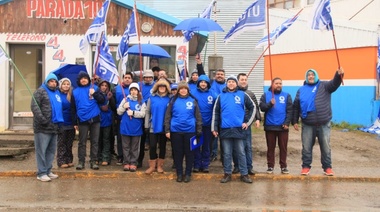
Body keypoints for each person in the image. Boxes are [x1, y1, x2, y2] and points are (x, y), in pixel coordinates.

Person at [293, 68, 344, 176]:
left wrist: (338, 75)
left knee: (326, 147)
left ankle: (327, 167)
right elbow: (296, 107)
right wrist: (295, 121)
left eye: (312, 75)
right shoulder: (301, 90)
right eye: (308, 75)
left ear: (316, 76)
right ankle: (306, 167)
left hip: (323, 124)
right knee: (306, 147)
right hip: (307, 124)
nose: (310, 76)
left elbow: (335, 84)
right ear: (306, 77)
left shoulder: (324, 86)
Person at [212, 75, 255, 184]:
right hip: (225, 129)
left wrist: (248, 122)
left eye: (233, 82)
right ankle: (227, 174)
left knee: (241, 152)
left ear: (236, 84)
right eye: (229, 82)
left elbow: (253, 107)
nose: (231, 83)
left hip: (239, 129)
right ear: (227, 83)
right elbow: (215, 113)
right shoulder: (221, 96)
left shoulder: (242, 95)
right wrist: (214, 128)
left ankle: (244, 174)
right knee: (226, 153)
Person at [165, 81, 202, 183]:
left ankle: (188, 173)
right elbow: (168, 116)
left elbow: (198, 117)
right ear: (178, 90)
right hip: (176, 131)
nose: (183, 90)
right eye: (181, 89)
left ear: (188, 90)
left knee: (190, 153)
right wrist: (167, 130)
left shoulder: (193, 101)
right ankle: (179, 173)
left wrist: (198, 130)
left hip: (190, 131)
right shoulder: (173, 101)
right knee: (178, 154)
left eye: (185, 88)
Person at [31, 72, 63, 182]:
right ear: (47, 82)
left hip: (54, 127)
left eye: (55, 81)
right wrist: (43, 120)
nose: (53, 83)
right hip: (42, 127)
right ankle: (41, 172)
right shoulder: (40, 91)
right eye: (51, 81)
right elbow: (35, 107)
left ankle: (48, 170)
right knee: (41, 151)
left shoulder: (57, 93)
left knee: (51, 151)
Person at [71, 71, 105, 170]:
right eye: (82, 78)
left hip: (95, 118)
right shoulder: (75, 92)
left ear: (88, 79)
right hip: (82, 119)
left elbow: (102, 100)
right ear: (79, 80)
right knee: (82, 142)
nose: (84, 80)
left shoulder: (95, 88)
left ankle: (93, 161)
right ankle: (81, 161)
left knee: (95, 141)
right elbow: (73, 108)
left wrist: (94, 94)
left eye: (85, 78)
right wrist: (74, 122)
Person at [259, 77, 293, 174]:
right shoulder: (266, 95)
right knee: (270, 147)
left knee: (283, 147)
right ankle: (270, 166)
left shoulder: (287, 96)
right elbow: (262, 108)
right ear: (272, 84)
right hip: (270, 126)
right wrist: (270, 103)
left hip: (283, 127)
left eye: (280, 83)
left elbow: (290, 110)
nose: (278, 85)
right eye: (276, 83)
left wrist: (287, 123)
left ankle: (283, 166)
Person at [232, 73, 261, 175]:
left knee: (247, 146)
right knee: (236, 147)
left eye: (245, 79)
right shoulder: (234, 93)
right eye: (241, 79)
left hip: (246, 124)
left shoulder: (250, 93)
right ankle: (237, 166)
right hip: (235, 124)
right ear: (238, 81)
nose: (243, 81)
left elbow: (255, 107)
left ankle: (249, 167)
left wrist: (257, 119)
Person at [117, 83, 146, 172]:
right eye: (132, 90)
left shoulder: (141, 101)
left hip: (136, 128)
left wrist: (133, 113)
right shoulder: (125, 100)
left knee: (134, 147)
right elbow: (119, 112)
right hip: (125, 127)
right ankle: (126, 162)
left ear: (138, 91)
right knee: (125, 147)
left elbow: (143, 114)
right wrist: (123, 107)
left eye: (135, 90)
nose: (133, 92)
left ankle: (133, 162)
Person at [144, 79, 171, 174]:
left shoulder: (169, 98)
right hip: (153, 126)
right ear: (157, 87)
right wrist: (146, 124)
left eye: (164, 86)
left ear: (167, 88)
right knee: (152, 146)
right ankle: (152, 166)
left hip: (164, 126)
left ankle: (160, 166)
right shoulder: (151, 98)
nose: (162, 88)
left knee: (162, 146)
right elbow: (147, 112)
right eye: (160, 86)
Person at [191, 75, 216, 173]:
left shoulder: (213, 94)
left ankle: (205, 164)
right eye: (201, 82)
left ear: (208, 84)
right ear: (198, 83)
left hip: (208, 124)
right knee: (196, 146)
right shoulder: (192, 93)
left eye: (205, 82)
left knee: (206, 146)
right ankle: (196, 164)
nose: (203, 84)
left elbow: (216, 108)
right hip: (196, 125)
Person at [112, 72, 133, 165]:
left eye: (129, 78)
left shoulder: (134, 89)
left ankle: (130, 157)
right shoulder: (117, 89)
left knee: (132, 139)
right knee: (120, 138)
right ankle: (121, 156)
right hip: (120, 117)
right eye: (125, 77)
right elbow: (113, 103)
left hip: (132, 117)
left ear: (132, 79)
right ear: (123, 78)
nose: (127, 79)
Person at [137, 69, 155, 167]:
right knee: (141, 138)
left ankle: (154, 161)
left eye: (150, 77)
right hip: (141, 112)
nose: (148, 79)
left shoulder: (156, 85)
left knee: (153, 141)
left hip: (153, 114)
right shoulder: (139, 85)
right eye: (146, 77)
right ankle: (139, 160)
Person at [56, 78, 75, 169]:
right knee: (61, 142)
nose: (66, 86)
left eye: (68, 84)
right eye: (64, 84)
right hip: (61, 122)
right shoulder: (57, 95)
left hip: (71, 122)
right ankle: (61, 160)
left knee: (69, 142)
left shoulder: (71, 95)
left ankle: (69, 159)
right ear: (60, 85)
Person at [97, 79, 115, 166]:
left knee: (106, 139)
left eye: (106, 86)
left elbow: (114, 107)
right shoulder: (96, 94)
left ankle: (105, 157)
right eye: (102, 85)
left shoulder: (110, 95)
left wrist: (110, 99)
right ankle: (97, 157)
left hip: (107, 120)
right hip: (97, 119)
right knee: (97, 139)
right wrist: (100, 108)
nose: (104, 87)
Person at [210, 68, 226, 162]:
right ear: (215, 75)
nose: (219, 76)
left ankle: (224, 156)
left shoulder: (228, 85)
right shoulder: (211, 83)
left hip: (224, 114)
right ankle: (213, 154)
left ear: (224, 76)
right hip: (213, 113)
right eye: (218, 74)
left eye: (221, 74)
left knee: (224, 136)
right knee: (214, 135)